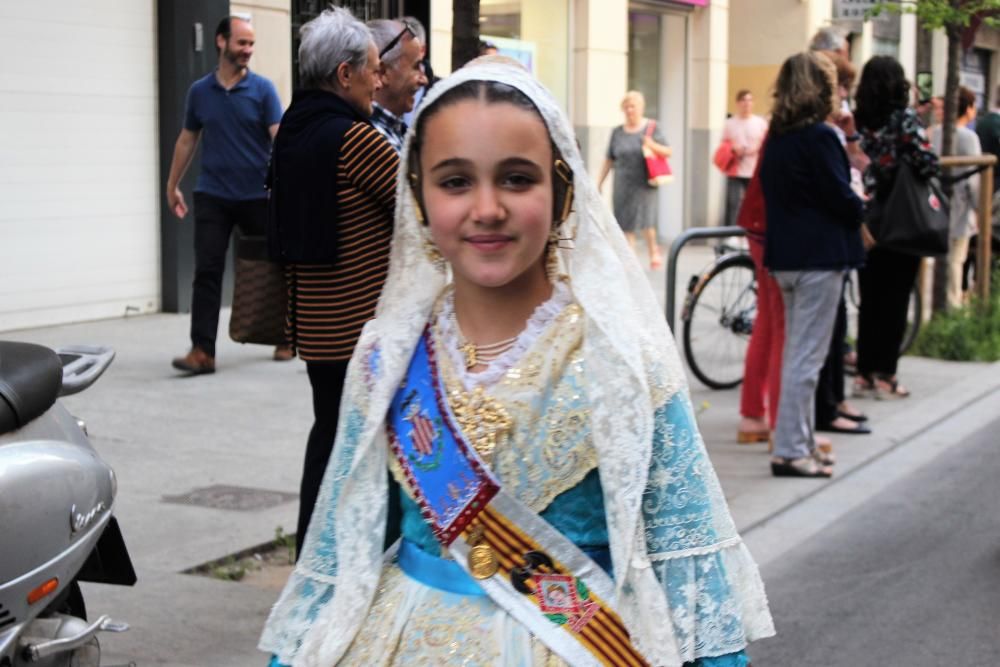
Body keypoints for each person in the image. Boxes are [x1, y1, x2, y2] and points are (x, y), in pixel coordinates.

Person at [261, 57, 773, 666]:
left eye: (516, 178)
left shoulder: (623, 357)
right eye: (454, 181)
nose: (486, 208)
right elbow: (341, 550)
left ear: (562, 192)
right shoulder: (388, 356)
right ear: (418, 198)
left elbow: (686, 564)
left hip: (583, 640)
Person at [268, 7, 398, 558]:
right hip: (361, 331)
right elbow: (421, 212)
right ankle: (355, 562)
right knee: (370, 453)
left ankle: (313, 558)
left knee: (329, 441)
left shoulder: (296, 132)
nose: (381, 78)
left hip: (318, 332)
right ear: (345, 75)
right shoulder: (355, 140)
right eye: (372, 68)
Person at [761, 52, 865, 478]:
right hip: (819, 257)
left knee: (799, 357)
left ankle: (799, 443)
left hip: (786, 257)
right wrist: (859, 203)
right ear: (820, 89)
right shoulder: (822, 137)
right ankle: (790, 450)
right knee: (807, 359)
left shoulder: (778, 137)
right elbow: (839, 198)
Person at [166, 15, 289, 374]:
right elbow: (187, 139)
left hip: (257, 196)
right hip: (213, 195)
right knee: (206, 271)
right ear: (221, 42)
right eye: (242, 43)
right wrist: (172, 184)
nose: (248, 50)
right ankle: (203, 351)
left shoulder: (263, 90)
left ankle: (286, 335)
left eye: (251, 44)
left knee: (278, 266)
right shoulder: (199, 92)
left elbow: (278, 137)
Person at [853, 56, 940, 399]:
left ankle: (863, 373)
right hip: (902, 218)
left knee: (870, 298)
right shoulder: (905, 119)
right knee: (897, 296)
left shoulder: (858, 120)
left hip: (867, 218)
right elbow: (927, 161)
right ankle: (886, 373)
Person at [598, 90, 672, 269]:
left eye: (633, 106)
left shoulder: (651, 128)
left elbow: (668, 151)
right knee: (624, 220)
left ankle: (653, 250)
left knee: (646, 219)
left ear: (641, 108)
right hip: (623, 181)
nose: (630, 110)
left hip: (644, 181)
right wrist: (600, 182)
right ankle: (630, 257)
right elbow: (609, 158)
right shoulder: (617, 132)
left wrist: (651, 144)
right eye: (627, 107)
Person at [931, 86, 981, 309]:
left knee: (939, 261)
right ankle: (950, 309)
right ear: (967, 108)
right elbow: (974, 179)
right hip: (959, 206)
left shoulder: (935, 132)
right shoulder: (969, 137)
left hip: (934, 205)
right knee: (955, 261)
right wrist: (981, 209)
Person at [368, 18, 428, 154]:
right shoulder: (371, 145)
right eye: (416, 66)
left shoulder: (397, 131)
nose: (424, 80)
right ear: (383, 72)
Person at [722, 90, 768, 227]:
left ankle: (750, 230)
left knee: (754, 203)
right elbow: (723, 145)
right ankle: (732, 233)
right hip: (735, 170)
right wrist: (733, 149)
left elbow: (766, 142)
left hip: (754, 170)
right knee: (734, 203)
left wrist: (757, 148)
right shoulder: (729, 123)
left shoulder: (760, 123)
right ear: (738, 103)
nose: (746, 104)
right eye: (743, 100)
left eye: (749, 100)